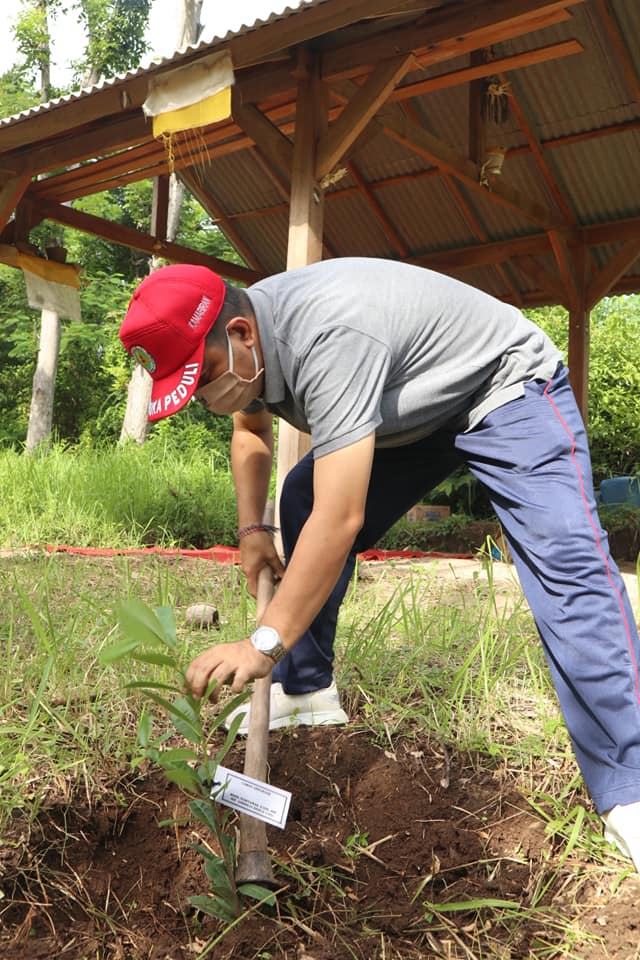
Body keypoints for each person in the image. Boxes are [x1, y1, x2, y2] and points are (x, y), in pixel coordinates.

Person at [119, 257, 640, 870]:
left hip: (505, 386)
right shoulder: (248, 339)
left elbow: (342, 519)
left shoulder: (330, 335)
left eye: (200, 377)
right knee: (302, 493)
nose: (204, 397)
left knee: (566, 564)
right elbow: (250, 431)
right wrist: (253, 530)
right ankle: (308, 686)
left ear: (239, 335)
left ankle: (629, 784)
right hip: (414, 413)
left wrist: (262, 643)